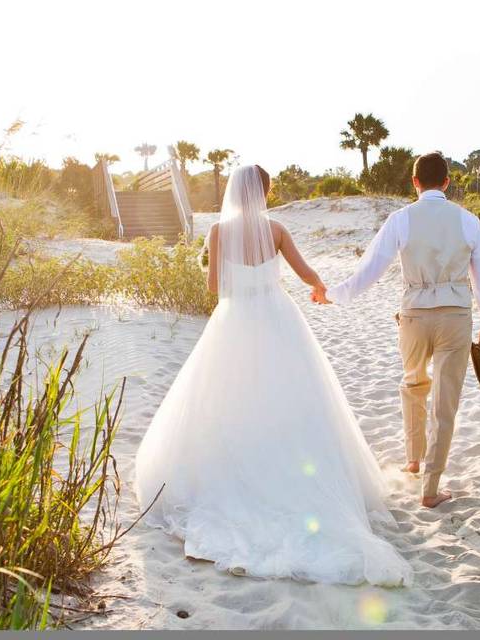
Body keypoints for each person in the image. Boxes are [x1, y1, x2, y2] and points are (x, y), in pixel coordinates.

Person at [135, 164, 412, 586]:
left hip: (234, 321)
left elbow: (214, 288)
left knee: (231, 401)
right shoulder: (277, 229)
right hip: (278, 318)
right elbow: (304, 273)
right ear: (263, 192)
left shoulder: (217, 233)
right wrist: (321, 290)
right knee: (290, 398)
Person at [315, 152, 480, 508]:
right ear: (447, 182)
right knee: (445, 405)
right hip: (455, 317)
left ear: (415, 183)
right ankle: (431, 489)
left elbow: (369, 270)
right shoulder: (469, 221)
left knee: (413, 385)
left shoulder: (400, 220)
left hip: (413, 316)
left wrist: (333, 296)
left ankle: (413, 459)